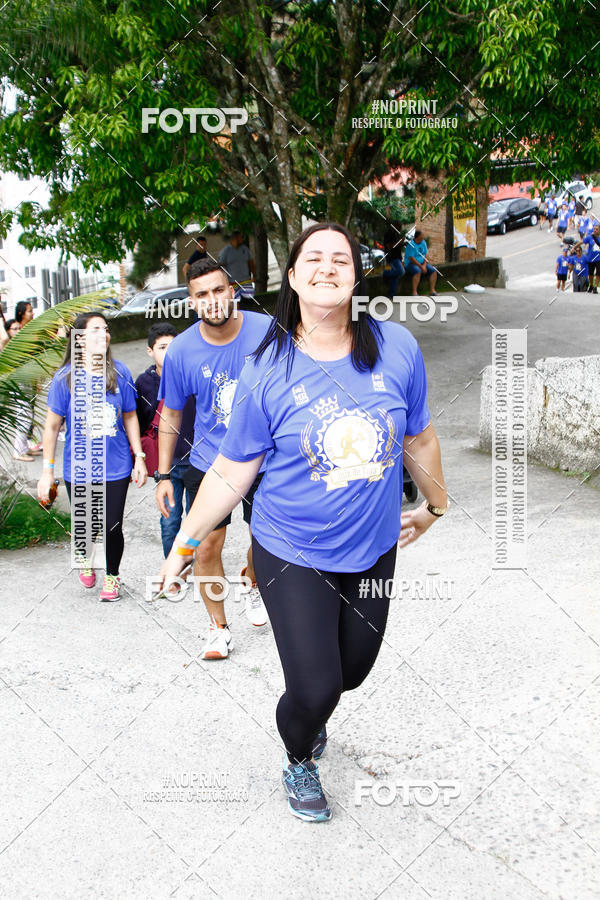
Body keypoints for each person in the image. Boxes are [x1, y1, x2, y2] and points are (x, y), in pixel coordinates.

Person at [155, 223, 448, 823]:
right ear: (292, 277)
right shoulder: (269, 368)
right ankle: (298, 755)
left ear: (356, 275)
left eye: (341, 258)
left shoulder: (397, 349)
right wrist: (185, 544)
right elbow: (233, 471)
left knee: (354, 672)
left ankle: (312, 715)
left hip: (372, 549)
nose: (327, 267)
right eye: (312, 258)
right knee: (315, 688)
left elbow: (419, 434)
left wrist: (435, 506)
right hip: (291, 550)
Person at [155, 258, 271, 655]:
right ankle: (218, 627)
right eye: (201, 294)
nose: (212, 299)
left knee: (266, 543)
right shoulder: (183, 350)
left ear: (232, 291)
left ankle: (252, 579)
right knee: (204, 547)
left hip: (264, 459)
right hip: (209, 461)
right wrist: (163, 475)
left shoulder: (267, 331)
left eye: (219, 290)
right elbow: (170, 414)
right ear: (191, 302)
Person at [37, 311, 148, 601]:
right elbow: (50, 428)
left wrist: (139, 457)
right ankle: (84, 555)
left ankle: (112, 576)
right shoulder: (66, 379)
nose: (104, 333)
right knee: (86, 524)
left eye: (106, 328)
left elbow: (130, 416)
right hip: (79, 468)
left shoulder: (119, 372)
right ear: (80, 338)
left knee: (112, 526)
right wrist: (47, 472)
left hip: (117, 466)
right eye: (96, 329)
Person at [135, 323, 195, 557]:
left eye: (173, 346)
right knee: (170, 519)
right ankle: (173, 566)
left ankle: (196, 563)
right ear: (150, 351)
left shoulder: (190, 373)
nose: (169, 352)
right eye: (162, 347)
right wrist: (140, 458)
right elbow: (139, 422)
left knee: (197, 517)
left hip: (194, 459)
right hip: (166, 463)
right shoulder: (144, 383)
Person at [218, 231, 256, 300]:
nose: (242, 239)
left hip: (246, 281)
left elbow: (251, 263)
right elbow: (221, 267)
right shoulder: (225, 251)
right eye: (240, 237)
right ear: (234, 238)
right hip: (232, 282)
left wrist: (254, 275)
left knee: (250, 300)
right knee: (236, 301)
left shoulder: (245, 249)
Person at [404, 230, 438, 296]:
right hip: (411, 264)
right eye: (422, 235)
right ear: (418, 236)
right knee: (417, 271)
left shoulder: (423, 242)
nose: (423, 236)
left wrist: (424, 265)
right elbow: (411, 258)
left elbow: (425, 254)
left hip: (422, 263)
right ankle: (414, 292)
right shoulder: (411, 244)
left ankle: (432, 290)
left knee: (433, 270)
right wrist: (421, 266)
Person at [381, 226, 406, 298]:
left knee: (394, 277)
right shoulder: (389, 234)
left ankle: (391, 294)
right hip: (392, 257)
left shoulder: (397, 234)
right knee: (401, 272)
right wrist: (400, 242)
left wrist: (403, 243)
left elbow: (398, 246)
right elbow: (389, 246)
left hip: (397, 257)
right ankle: (385, 273)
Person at [583, 223, 600, 293]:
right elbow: (582, 242)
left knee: (599, 273)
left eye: (597, 229)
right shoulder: (590, 237)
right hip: (591, 258)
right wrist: (574, 247)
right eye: (594, 229)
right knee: (590, 273)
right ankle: (591, 285)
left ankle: (595, 287)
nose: (595, 230)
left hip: (599, 259)